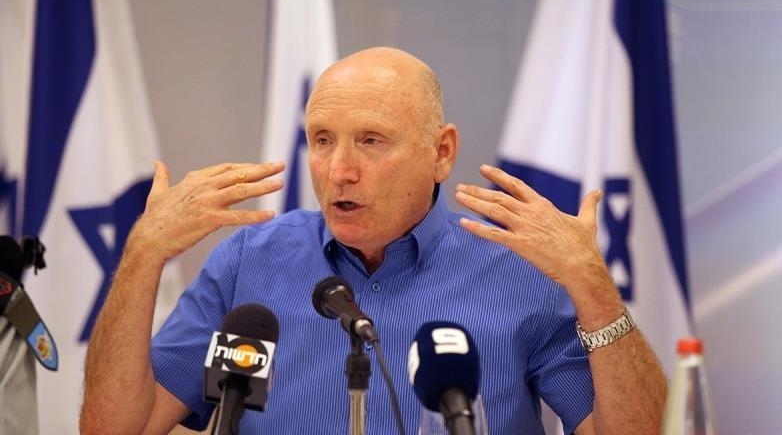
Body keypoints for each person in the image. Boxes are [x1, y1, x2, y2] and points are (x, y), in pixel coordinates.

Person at [80, 47, 666, 434]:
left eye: (371, 141)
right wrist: (142, 256)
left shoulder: (519, 270)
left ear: (441, 153)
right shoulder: (248, 262)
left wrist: (594, 289)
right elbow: (115, 429)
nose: (339, 170)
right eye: (322, 140)